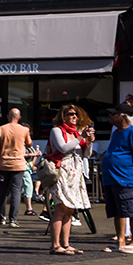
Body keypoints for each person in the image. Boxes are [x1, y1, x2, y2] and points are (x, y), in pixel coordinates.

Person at [103, 104, 133, 254]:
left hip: (126, 177)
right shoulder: (117, 132)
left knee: (131, 210)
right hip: (112, 177)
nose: (110, 117)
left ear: (123, 116)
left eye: (113, 114)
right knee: (117, 211)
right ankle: (121, 240)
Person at [47, 104, 93, 254]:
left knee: (70, 210)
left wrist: (90, 142)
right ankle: (55, 245)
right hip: (62, 172)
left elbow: (86, 155)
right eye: (71, 114)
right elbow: (63, 148)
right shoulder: (57, 131)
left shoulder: (76, 132)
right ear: (63, 116)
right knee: (60, 208)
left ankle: (66, 244)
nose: (75, 117)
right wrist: (81, 137)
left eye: (76, 114)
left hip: (75, 173)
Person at [0, 108, 32, 225]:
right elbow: (29, 143)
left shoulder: (1, 129)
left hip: (3, 164)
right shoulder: (24, 130)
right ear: (19, 117)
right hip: (19, 164)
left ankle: (1, 218)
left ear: (8, 116)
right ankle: (13, 219)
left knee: (2, 192)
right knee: (16, 192)